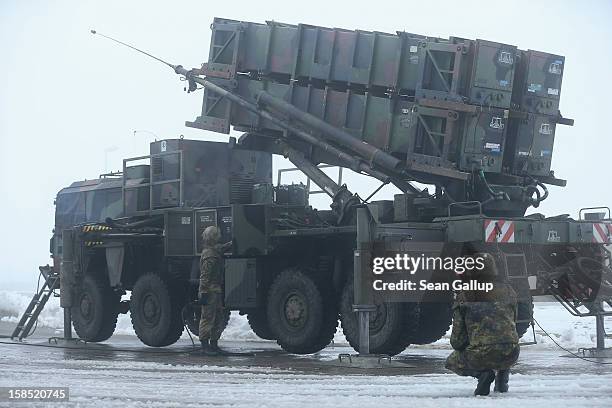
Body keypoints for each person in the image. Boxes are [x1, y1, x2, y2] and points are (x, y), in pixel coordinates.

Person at [445, 252, 520, 396]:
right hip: (512, 353)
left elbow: (457, 341)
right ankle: (502, 377)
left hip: (482, 354)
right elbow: (512, 323)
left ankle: (483, 375)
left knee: (451, 361)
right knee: (503, 342)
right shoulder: (509, 290)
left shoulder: (466, 294)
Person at [198, 226, 231, 355]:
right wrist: (203, 292)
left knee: (218, 317)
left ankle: (213, 344)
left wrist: (231, 243)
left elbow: (221, 248)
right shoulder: (209, 256)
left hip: (215, 290)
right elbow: (205, 276)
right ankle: (205, 346)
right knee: (208, 317)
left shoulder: (213, 251)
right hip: (210, 290)